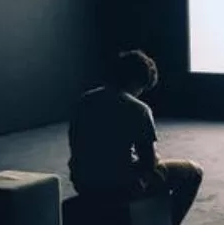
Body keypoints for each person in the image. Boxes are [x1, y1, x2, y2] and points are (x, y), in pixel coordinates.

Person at [68, 49, 203, 225]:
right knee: (193, 171)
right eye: (143, 88)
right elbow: (149, 162)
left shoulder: (84, 101)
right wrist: (155, 159)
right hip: (119, 187)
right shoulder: (138, 109)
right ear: (138, 81)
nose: (141, 93)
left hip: (83, 182)